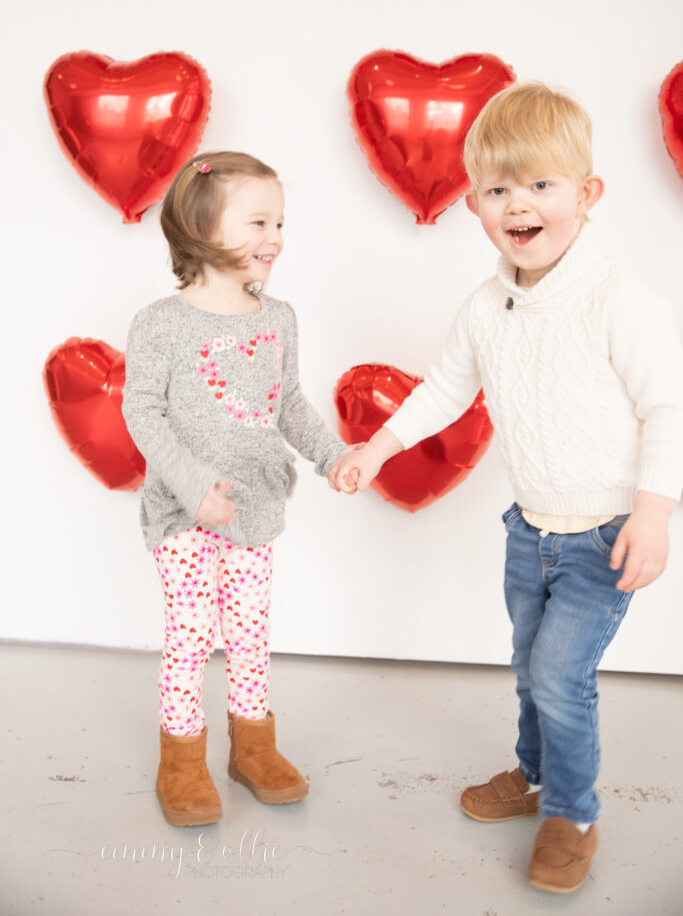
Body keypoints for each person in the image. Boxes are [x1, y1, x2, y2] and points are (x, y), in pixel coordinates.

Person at [331, 82, 683, 893]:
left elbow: (668, 406)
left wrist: (656, 512)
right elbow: (443, 390)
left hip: (603, 533)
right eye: (496, 190)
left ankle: (572, 811)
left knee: (562, 676)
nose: (517, 205)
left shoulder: (616, 300)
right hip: (528, 531)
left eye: (539, 186)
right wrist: (377, 445)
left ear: (586, 196)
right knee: (528, 666)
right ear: (473, 206)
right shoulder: (487, 307)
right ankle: (530, 776)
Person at [123, 151, 351, 826]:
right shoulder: (160, 323)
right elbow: (143, 413)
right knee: (192, 635)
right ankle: (182, 761)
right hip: (184, 515)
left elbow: (290, 407)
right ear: (201, 226)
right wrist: (195, 489)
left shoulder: (276, 318)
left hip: (253, 509)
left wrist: (332, 457)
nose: (274, 237)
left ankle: (252, 749)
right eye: (257, 220)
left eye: (279, 222)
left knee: (250, 634)